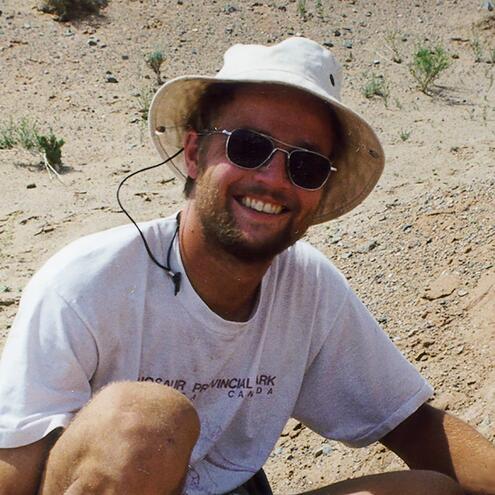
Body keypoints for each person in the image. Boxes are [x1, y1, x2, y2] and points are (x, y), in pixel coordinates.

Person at [0, 37, 493, 495]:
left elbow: (412, 424)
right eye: (249, 147)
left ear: (318, 192)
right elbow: (15, 470)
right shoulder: (88, 282)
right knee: (144, 421)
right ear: (194, 153)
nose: (273, 180)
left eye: (306, 165)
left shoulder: (307, 286)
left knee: (429, 490)